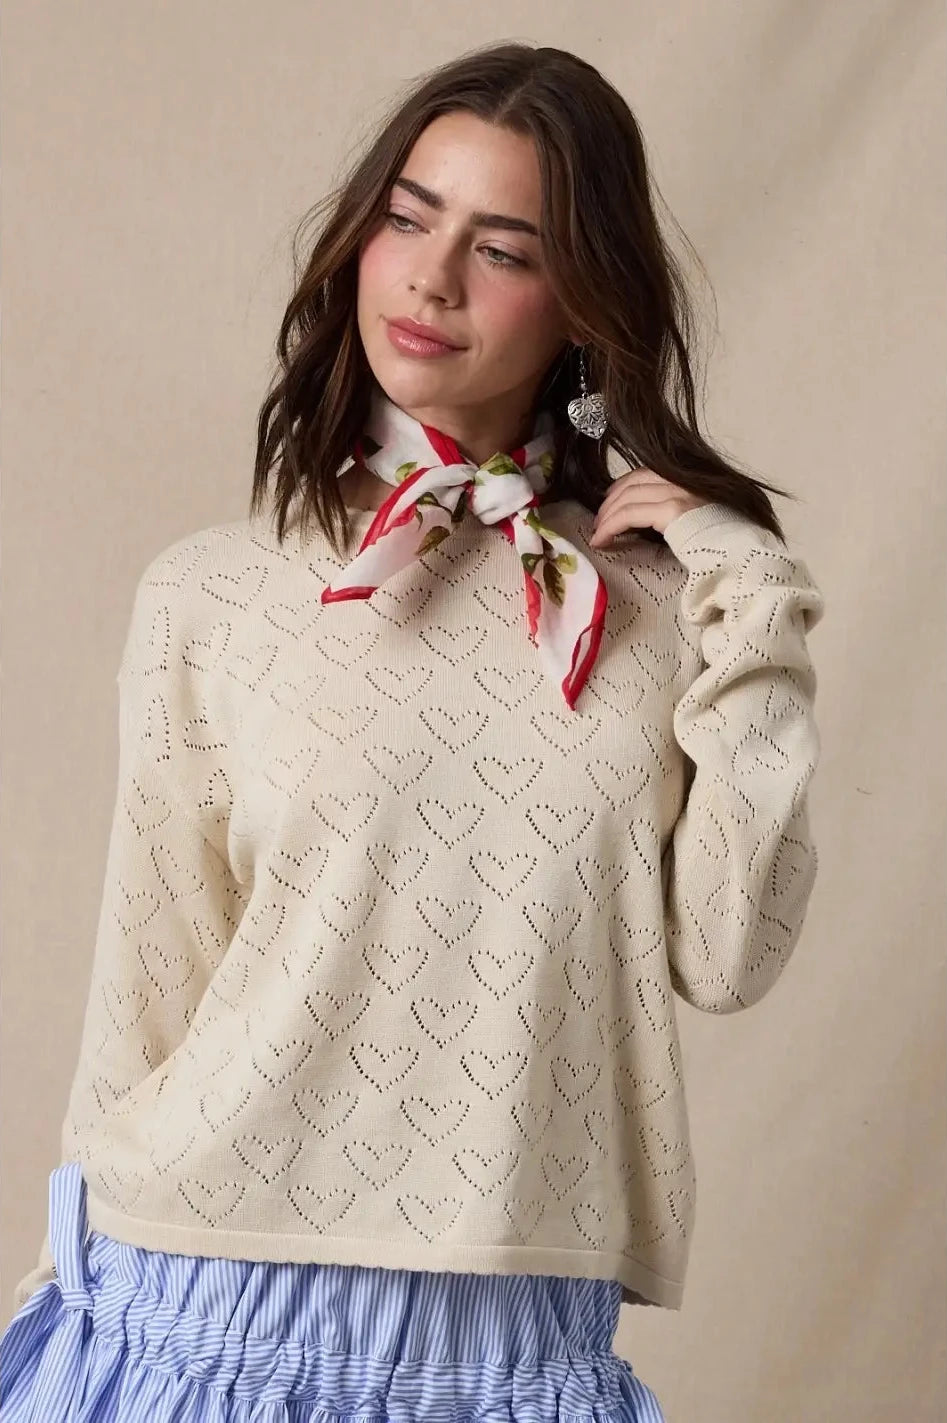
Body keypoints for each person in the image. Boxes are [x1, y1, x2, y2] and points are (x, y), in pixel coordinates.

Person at [0, 39, 825, 1423]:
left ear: (583, 303)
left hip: (510, 1342)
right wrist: (60, 1291)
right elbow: (149, 984)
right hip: (199, 1305)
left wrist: (754, 600)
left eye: (502, 249)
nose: (432, 279)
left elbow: (728, 953)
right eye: (406, 219)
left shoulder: (665, 610)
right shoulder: (215, 594)